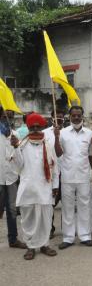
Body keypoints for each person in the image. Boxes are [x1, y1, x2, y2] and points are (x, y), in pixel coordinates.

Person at [11, 113, 59, 260]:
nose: (36, 129)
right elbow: (18, 166)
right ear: (28, 127)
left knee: (45, 218)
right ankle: (31, 247)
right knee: (28, 219)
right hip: (28, 189)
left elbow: (55, 167)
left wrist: (55, 186)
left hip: (45, 188)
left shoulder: (48, 145)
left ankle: (44, 244)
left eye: (39, 126)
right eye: (33, 127)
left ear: (43, 127)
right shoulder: (22, 145)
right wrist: (15, 148)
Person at [58, 106, 92, 249]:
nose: (76, 118)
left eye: (78, 115)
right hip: (67, 176)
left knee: (84, 206)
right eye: (73, 115)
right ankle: (68, 237)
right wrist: (56, 138)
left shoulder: (89, 134)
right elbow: (57, 153)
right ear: (69, 116)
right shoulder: (62, 133)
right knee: (67, 207)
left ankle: (85, 236)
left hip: (83, 176)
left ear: (83, 116)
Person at [0, 107, 26, 249]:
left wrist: (16, 146)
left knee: (11, 210)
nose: (7, 120)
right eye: (4, 117)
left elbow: (21, 162)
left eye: (9, 117)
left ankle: (13, 239)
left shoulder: (15, 135)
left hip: (11, 179)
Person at [43, 109, 66, 238]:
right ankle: (50, 228)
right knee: (51, 202)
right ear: (52, 118)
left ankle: (66, 230)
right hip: (52, 174)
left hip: (66, 173)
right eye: (57, 117)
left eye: (61, 117)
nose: (59, 119)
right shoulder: (45, 133)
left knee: (67, 203)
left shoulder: (68, 132)